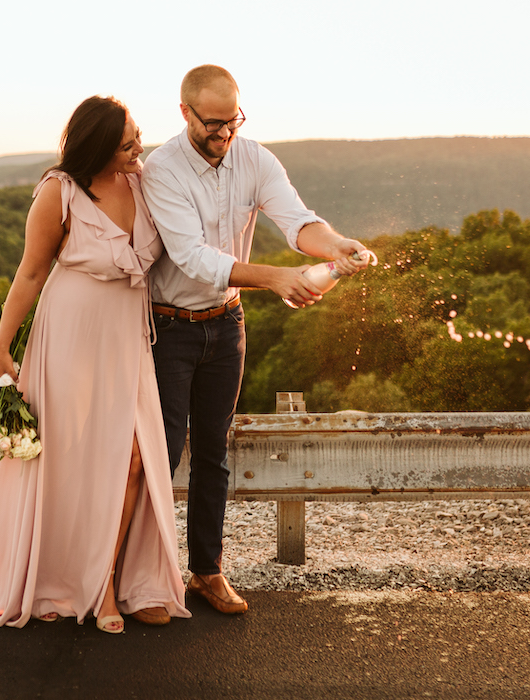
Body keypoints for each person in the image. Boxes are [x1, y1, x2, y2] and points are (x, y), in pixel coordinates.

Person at [141, 65, 370, 615]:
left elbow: (297, 221)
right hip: (168, 327)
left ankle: (207, 573)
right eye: (213, 123)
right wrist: (275, 278)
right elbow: (192, 258)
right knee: (163, 453)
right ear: (185, 113)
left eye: (233, 121)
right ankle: (148, 582)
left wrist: (337, 246)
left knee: (215, 452)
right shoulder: (161, 170)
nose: (225, 134)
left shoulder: (255, 158)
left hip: (227, 325)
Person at [0, 96, 190, 633]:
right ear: (97, 146)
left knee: (132, 458)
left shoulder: (144, 182)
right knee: (69, 462)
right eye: (128, 140)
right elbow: (29, 274)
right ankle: (76, 585)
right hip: (68, 336)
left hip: (126, 339)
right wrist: (2, 349)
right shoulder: (57, 192)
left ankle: (110, 581)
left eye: (138, 134)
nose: (140, 146)